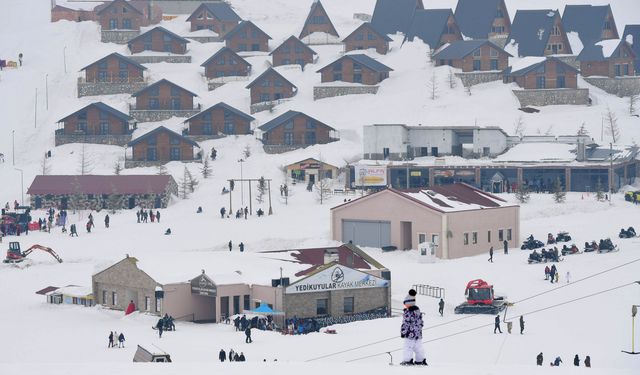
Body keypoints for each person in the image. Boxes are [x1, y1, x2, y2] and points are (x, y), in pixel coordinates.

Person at [400, 289, 427, 366]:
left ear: (408, 303)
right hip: (418, 334)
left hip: (409, 334)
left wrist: (403, 332)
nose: (405, 305)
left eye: (405, 303)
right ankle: (420, 360)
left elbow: (406, 324)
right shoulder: (418, 311)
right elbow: (421, 323)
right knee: (418, 347)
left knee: (408, 347)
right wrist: (418, 330)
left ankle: (407, 360)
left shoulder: (408, 313)